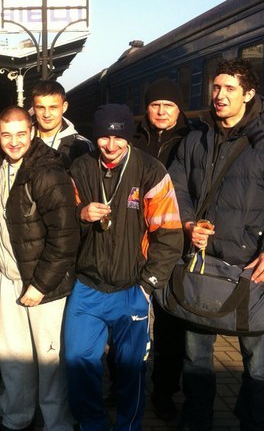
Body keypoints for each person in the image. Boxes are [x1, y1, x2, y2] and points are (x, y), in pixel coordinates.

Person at [169, 59, 264, 430]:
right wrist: (187, 223)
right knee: (196, 361)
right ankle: (197, 421)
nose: (220, 95)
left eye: (230, 88)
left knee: (258, 367)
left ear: (249, 94)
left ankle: (255, 424)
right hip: (203, 267)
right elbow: (176, 188)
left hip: (252, 272)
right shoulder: (196, 140)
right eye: (216, 87)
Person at [65, 104, 183, 431]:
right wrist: (79, 215)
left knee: (131, 368)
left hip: (132, 287)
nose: (111, 144)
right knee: (78, 361)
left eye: (119, 137)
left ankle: (128, 426)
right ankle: (92, 423)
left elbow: (170, 233)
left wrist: (148, 284)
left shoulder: (151, 170)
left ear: (129, 137)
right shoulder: (80, 168)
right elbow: (62, 225)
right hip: (88, 286)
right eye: (104, 136)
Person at [0, 105, 79, 431]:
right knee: (13, 355)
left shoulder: (48, 173)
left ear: (33, 133)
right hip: (10, 277)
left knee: (49, 360)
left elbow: (65, 237)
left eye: (21, 134)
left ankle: (57, 423)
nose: (13, 142)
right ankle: (17, 414)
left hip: (44, 284)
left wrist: (40, 285)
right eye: (6, 135)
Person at [132, 78, 194, 420]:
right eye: (155, 105)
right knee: (128, 321)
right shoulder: (133, 138)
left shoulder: (192, 139)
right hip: (135, 242)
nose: (161, 111)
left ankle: (164, 391)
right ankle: (125, 384)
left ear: (178, 108)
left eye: (168, 105)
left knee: (170, 325)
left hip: (173, 244)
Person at [31, 80, 93, 167]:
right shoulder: (22, 142)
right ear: (33, 107)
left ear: (64, 107)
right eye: (41, 107)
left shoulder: (81, 146)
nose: (46, 114)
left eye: (53, 107)